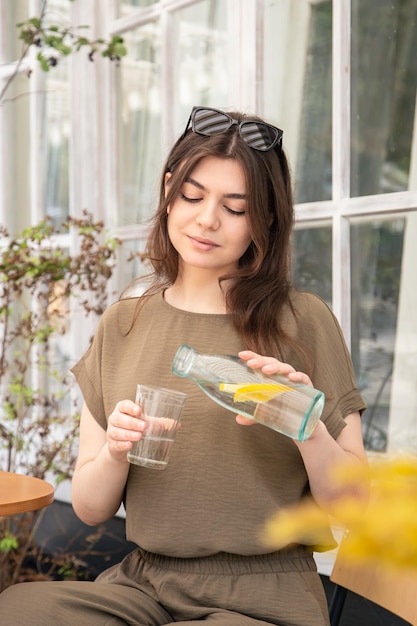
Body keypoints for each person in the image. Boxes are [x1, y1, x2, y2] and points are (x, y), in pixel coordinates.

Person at [0, 106, 367, 625]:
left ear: (265, 219)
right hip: (144, 585)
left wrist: (309, 429)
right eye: (193, 196)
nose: (207, 219)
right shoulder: (123, 324)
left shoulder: (302, 321)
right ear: (170, 189)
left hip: (265, 595)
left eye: (235, 208)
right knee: (18, 612)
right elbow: (89, 508)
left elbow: (355, 506)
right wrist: (116, 452)